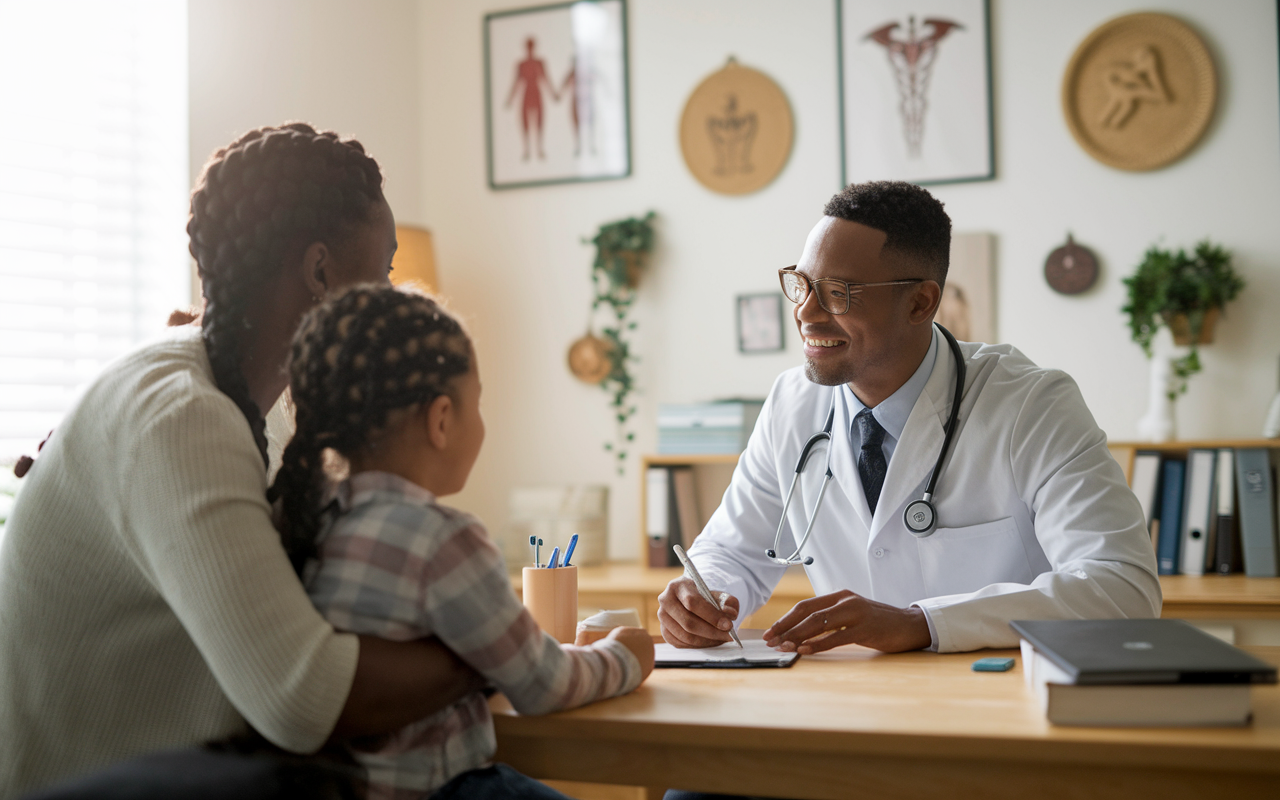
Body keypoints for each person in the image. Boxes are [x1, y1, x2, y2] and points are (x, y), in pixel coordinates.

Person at [0, 124, 483, 797]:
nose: (393, 296)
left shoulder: (244, 403)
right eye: (388, 268)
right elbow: (302, 697)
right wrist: (490, 650)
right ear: (320, 272)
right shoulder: (181, 416)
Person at [658, 181, 1161, 659]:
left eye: (838, 292)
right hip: (850, 701)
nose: (807, 313)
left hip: (999, 700)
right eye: (802, 284)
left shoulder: (1032, 404)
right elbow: (733, 552)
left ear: (921, 301)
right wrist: (703, 598)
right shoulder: (792, 403)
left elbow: (1123, 589)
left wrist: (923, 623)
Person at [272, 285, 654, 798]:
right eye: (479, 404)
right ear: (442, 419)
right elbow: (542, 683)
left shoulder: (307, 519)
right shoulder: (442, 539)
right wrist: (628, 655)